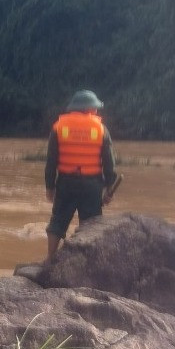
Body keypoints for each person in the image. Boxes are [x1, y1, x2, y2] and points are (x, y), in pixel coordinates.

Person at [44, 90, 118, 263]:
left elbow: (51, 161)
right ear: (89, 109)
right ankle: (89, 261)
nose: (97, 111)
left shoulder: (59, 127)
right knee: (91, 223)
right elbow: (109, 162)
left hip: (66, 182)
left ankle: (50, 258)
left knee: (58, 221)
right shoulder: (100, 129)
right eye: (95, 108)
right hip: (91, 184)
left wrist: (49, 186)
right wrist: (109, 188)